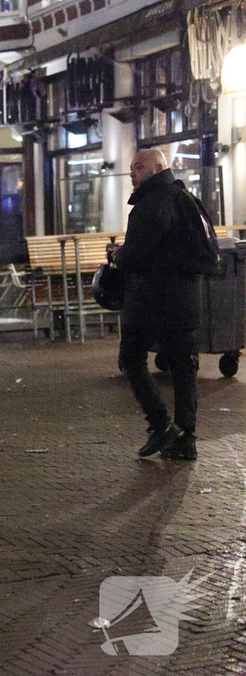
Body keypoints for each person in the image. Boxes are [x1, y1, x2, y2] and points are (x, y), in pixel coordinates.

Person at [114, 148, 216, 461]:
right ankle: (186, 437)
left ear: (158, 168)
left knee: (131, 358)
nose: (133, 173)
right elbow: (207, 249)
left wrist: (118, 256)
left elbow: (136, 255)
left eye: (139, 167)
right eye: (131, 168)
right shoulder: (187, 199)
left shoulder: (150, 204)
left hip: (152, 301)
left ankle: (159, 425)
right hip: (185, 300)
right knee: (184, 366)